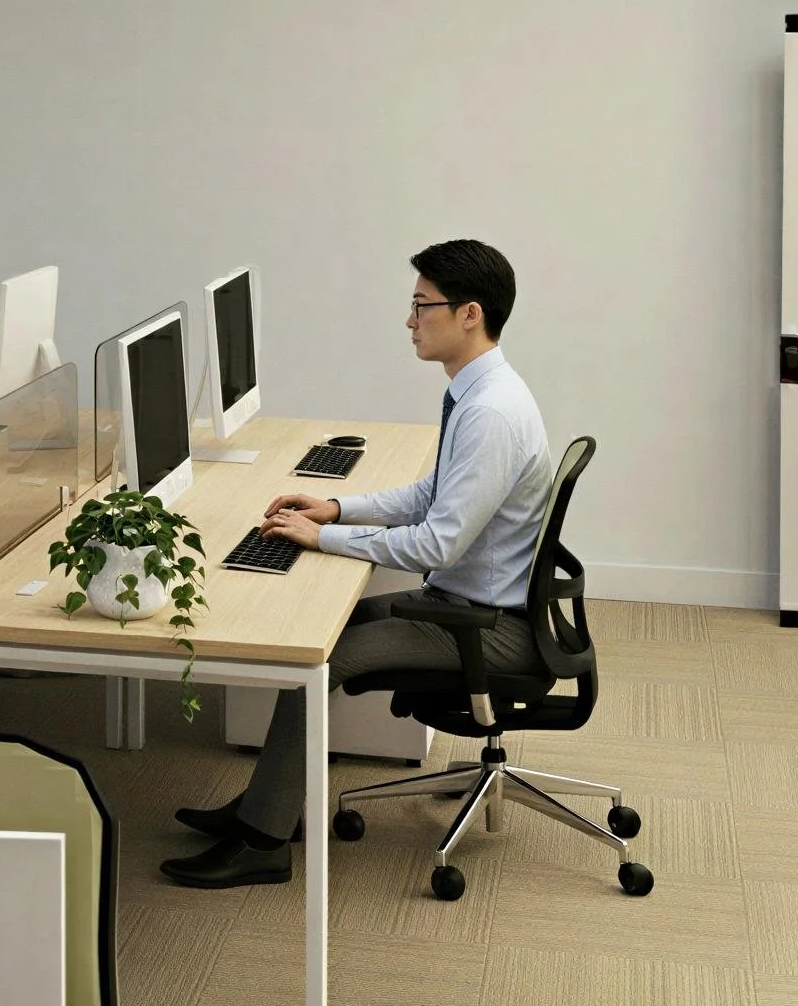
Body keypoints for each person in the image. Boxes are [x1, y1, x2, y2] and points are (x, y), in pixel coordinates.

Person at [159, 239, 553, 889]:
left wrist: (322, 542)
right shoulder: (478, 391)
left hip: (488, 626)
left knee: (323, 655)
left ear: (469, 315)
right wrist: (336, 508)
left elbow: (435, 545)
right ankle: (268, 810)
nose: (410, 321)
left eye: (422, 306)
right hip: (467, 604)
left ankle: (262, 840)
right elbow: (431, 495)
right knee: (311, 640)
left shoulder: (490, 412)